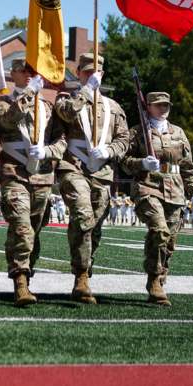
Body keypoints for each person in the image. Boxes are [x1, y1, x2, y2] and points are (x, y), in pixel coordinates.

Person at [54, 52, 129, 304]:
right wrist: (87, 91)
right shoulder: (68, 98)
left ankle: (83, 270)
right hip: (73, 167)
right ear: (78, 73)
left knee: (93, 228)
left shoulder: (114, 108)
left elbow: (123, 140)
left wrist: (109, 150)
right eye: (86, 71)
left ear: (102, 74)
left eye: (95, 72)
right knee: (83, 216)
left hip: (102, 173)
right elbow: (65, 114)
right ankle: (82, 275)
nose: (91, 75)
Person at [0, 59, 66, 306]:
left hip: (42, 177)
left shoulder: (46, 106)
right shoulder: (3, 102)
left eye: (32, 72)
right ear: (13, 74)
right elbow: (9, 120)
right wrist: (30, 92)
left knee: (33, 232)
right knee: (22, 228)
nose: (28, 75)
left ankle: (26, 272)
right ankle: (20, 282)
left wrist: (48, 152)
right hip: (14, 173)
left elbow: (61, 140)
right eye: (23, 72)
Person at [121, 91, 193, 306]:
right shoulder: (138, 132)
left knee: (170, 242)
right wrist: (142, 163)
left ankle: (159, 280)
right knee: (159, 230)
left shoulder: (178, 132)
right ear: (148, 107)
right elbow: (124, 162)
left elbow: (187, 167)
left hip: (175, 190)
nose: (163, 109)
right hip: (148, 186)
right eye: (158, 105)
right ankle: (155, 280)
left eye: (166, 105)